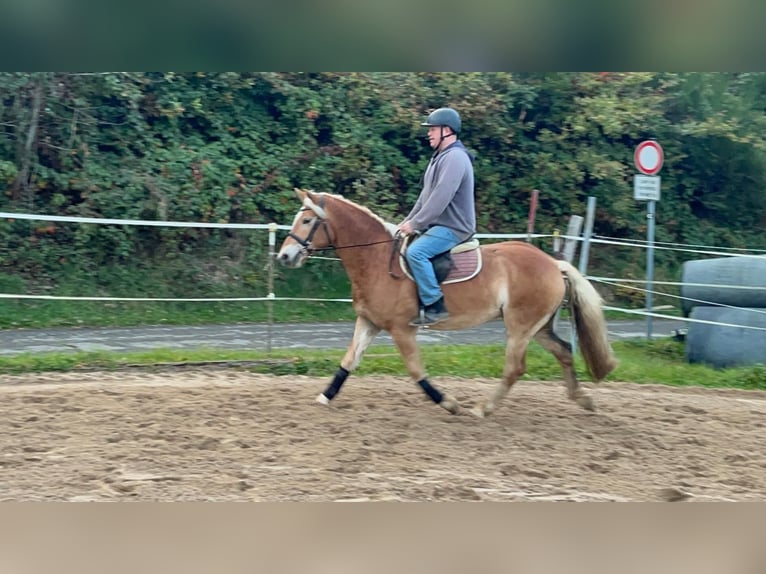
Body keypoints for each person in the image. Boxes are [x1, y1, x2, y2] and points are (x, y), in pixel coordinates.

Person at [397, 107, 476, 327]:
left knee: (416, 252)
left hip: (454, 227)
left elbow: (440, 198)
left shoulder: (456, 158)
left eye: (432, 129)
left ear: (447, 131)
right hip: (437, 225)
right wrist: (408, 221)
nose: (429, 133)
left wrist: (416, 224)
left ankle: (434, 304)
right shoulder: (439, 158)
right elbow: (425, 197)